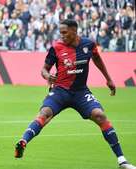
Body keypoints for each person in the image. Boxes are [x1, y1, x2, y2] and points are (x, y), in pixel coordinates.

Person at [14, 19, 136, 169]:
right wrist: (47, 76)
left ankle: (122, 160)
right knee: (45, 113)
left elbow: (97, 58)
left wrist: (109, 79)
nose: (62, 36)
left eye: (65, 32)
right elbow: (44, 69)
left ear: (74, 31)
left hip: (80, 92)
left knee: (100, 115)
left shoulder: (88, 45)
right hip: (60, 91)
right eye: (61, 33)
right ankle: (23, 142)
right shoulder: (56, 48)